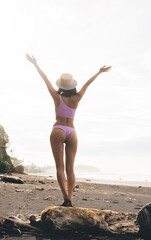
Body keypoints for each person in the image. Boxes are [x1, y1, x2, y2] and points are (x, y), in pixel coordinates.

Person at [26, 54, 111, 207]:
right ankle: (70, 199)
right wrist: (99, 72)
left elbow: (44, 78)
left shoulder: (56, 96)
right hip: (72, 132)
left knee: (60, 167)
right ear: (72, 86)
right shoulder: (77, 98)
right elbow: (87, 84)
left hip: (58, 129)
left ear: (61, 85)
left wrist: (35, 64)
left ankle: (65, 198)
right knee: (70, 169)